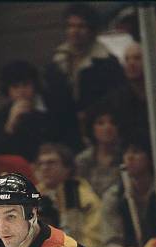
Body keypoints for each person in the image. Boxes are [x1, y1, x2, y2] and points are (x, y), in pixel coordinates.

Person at [44, 3, 125, 150]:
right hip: (64, 134)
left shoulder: (108, 62)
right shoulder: (56, 63)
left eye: (81, 26)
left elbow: (115, 97)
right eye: (71, 26)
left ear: (91, 30)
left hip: (98, 134)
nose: (75, 31)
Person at [35, 142, 102, 247]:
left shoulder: (84, 197)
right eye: (41, 164)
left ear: (67, 168)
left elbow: (95, 239)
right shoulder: (31, 197)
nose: (44, 168)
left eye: (51, 163)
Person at [0, 60, 55, 162]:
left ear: (34, 85)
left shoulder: (53, 104)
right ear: (8, 90)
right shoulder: (1, 116)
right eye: (15, 87)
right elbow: (0, 152)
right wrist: (10, 125)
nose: (21, 91)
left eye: (26, 84)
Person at [75, 104, 121, 200]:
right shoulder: (82, 160)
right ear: (92, 129)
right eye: (100, 123)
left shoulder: (126, 157)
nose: (108, 127)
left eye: (113, 123)